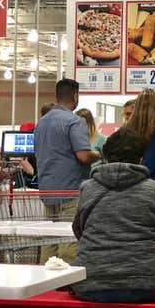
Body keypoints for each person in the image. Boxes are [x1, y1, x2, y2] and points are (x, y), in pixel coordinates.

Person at [71, 127, 155, 303]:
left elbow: (79, 231)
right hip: (153, 282)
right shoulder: (153, 190)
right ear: (141, 159)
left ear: (105, 158)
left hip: (92, 282)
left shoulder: (88, 188)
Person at [34, 79, 101, 264]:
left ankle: (47, 285)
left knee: (50, 241)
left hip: (47, 190)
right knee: (69, 241)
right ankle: (66, 287)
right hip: (70, 190)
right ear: (75, 96)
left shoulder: (41, 123)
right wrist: (98, 154)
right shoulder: (74, 121)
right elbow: (83, 156)